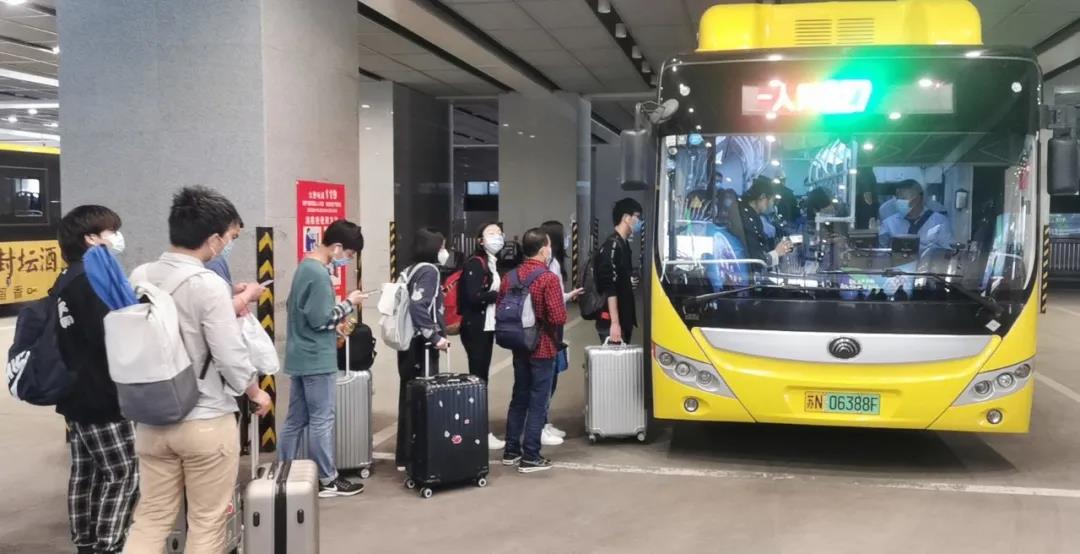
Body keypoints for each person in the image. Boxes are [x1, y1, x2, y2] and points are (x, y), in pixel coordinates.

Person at [125, 187, 271, 553]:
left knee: (151, 517)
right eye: (230, 237)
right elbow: (230, 356)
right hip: (204, 418)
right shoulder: (207, 284)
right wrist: (256, 393)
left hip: (151, 419)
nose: (228, 245)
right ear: (213, 239)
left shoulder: (140, 275)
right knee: (207, 522)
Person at [53, 205, 139, 554]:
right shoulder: (92, 279)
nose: (116, 237)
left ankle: (86, 542)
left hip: (75, 392)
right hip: (103, 394)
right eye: (110, 231)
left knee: (86, 473)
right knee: (123, 473)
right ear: (91, 238)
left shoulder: (67, 278)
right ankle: (109, 544)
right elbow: (110, 336)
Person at [277, 219, 367, 498]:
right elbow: (320, 320)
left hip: (300, 355)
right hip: (317, 358)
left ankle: (283, 472)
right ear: (337, 247)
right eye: (348, 254)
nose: (347, 260)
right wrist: (349, 303)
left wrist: (333, 324)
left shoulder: (304, 267)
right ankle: (328, 478)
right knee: (321, 420)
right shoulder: (318, 274)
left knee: (296, 420)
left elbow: (301, 312)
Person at [501, 228, 568, 473]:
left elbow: (501, 306)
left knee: (519, 396)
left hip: (519, 345)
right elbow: (558, 317)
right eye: (548, 246)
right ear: (543, 250)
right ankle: (530, 455)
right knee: (538, 401)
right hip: (542, 347)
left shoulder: (510, 276)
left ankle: (511, 451)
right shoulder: (547, 278)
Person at [395, 227, 451, 470]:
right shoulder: (429, 271)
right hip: (422, 345)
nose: (445, 251)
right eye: (442, 246)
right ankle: (421, 455)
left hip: (407, 343)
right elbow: (419, 306)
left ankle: (406, 455)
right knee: (422, 398)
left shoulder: (410, 269)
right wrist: (435, 337)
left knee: (408, 396)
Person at [458, 222, 506, 451]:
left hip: (486, 327)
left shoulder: (492, 262)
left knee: (482, 378)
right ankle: (479, 432)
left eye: (499, 233)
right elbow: (473, 296)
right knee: (478, 379)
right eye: (491, 233)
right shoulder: (475, 264)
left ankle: (479, 429)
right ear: (480, 240)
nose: (497, 237)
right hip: (475, 327)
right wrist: (497, 295)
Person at [539, 220, 584, 446]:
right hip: (549, 326)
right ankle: (539, 425)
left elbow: (555, 294)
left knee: (552, 374)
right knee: (546, 376)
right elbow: (549, 297)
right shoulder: (549, 264)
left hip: (554, 324)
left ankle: (544, 422)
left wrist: (568, 295)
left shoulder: (554, 262)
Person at [595, 198, 642, 344]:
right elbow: (609, 287)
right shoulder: (612, 246)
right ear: (626, 218)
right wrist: (615, 323)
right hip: (612, 322)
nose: (640, 222)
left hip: (624, 317)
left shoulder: (624, 244)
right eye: (637, 217)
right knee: (614, 358)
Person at [878, 179, 954, 254]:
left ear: (918, 198)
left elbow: (949, 251)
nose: (899, 202)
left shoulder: (939, 222)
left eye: (903, 198)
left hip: (928, 261)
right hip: (897, 261)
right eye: (897, 199)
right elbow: (880, 252)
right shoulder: (889, 223)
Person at [740, 178, 793, 270]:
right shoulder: (747, 219)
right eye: (772, 200)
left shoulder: (753, 216)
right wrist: (776, 253)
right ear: (763, 197)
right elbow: (756, 261)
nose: (772, 205)